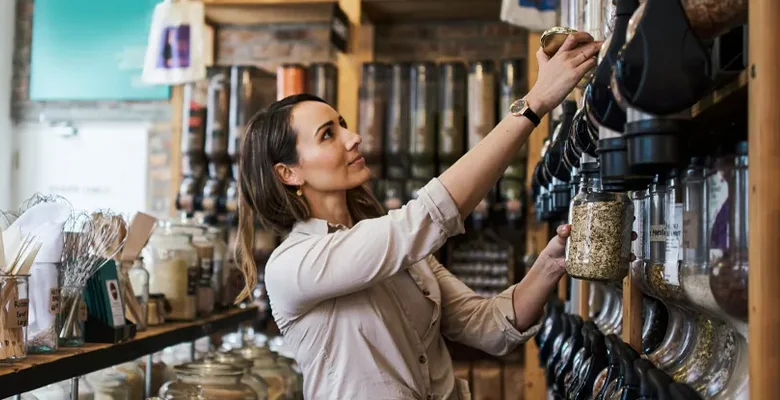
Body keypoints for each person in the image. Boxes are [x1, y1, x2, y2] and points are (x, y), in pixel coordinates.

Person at [232, 31, 603, 399]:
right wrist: (535, 102)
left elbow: (488, 327)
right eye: (328, 135)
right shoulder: (293, 265)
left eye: (343, 124)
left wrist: (552, 263)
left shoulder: (402, 253)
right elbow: (430, 215)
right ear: (289, 173)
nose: (353, 137)